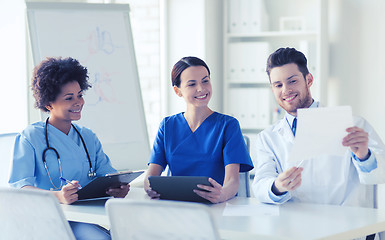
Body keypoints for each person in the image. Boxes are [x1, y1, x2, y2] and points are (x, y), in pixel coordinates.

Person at [9, 57, 129, 240]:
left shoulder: (88, 137)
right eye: (69, 98)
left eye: (80, 95)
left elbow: (106, 176)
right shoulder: (30, 137)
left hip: (83, 218)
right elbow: (20, 188)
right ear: (49, 104)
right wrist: (57, 196)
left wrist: (117, 188)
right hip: (46, 218)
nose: (78, 102)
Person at [252, 47, 385, 209]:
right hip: (296, 228)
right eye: (278, 85)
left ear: (309, 80)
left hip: (345, 226)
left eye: (292, 81)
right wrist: (277, 186)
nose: (286, 90)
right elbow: (260, 185)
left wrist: (364, 156)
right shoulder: (267, 138)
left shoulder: (354, 125)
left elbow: (380, 174)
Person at [144, 56, 254, 203]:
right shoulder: (167, 126)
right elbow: (151, 177)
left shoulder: (228, 125)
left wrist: (221, 195)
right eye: (192, 84)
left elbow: (232, 182)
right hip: (175, 206)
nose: (201, 89)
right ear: (178, 91)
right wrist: (150, 188)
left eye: (205, 81)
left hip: (215, 207)